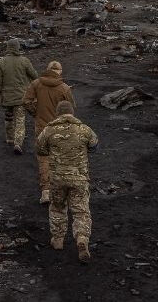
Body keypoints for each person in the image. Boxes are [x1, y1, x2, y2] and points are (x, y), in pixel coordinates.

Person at [36, 101, 98, 263]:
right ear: (72, 113)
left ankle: (57, 240)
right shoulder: (84, 129)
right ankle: (82, 239)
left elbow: (40, 149)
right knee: (81, 210)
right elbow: (94, 144)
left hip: (57, 179)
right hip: (79, 178)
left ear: (58, 113)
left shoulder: (48, 130)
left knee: (57, 208)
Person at [23, 61, 75, 204]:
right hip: (61, 128)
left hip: (42, 126)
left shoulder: (36, 84)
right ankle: (62, 190)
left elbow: (26, 101)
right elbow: (71, 109)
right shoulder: (64, 88)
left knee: (43, 157)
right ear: (59, 72)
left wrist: (36, 113)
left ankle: (45, 191)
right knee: (62, 156)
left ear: (47, 70)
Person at [0, 39, 37, 154]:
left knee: (8, 118)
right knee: (20, 120)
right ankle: (18, 143)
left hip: (6, 98)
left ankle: (9, 138)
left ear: (8, 48)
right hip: (21, 97)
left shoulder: (1, 62)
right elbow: (35, 76)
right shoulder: (24, 61)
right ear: (18, 48)